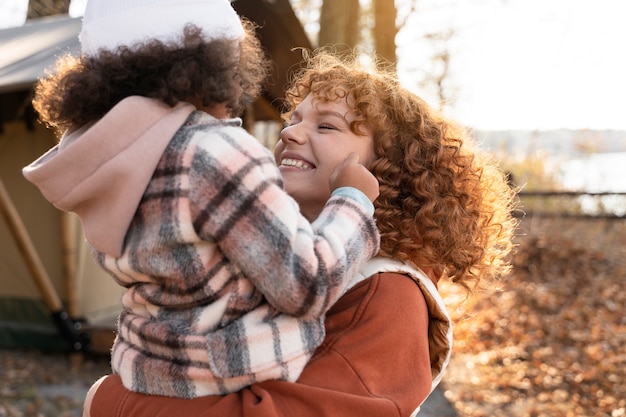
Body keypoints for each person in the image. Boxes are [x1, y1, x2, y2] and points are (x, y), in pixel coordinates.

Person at [82, 50, 518, 417]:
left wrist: (112, 402)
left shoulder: (385, 293)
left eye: (326, 126)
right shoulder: (274, 254)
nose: (290, 131)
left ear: (391, 168)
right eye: (294, 119)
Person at [22, 0, 382, 399]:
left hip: (148, 374)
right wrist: (352, 199)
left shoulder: (109, 161)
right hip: (236, 371)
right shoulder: (213, 151)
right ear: (217, 61)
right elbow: (307, 284)